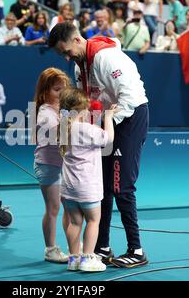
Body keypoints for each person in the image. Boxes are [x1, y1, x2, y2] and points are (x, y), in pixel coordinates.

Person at [48, 22, 149, 268]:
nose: (65, 56)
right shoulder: (78, 66)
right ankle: (101, 248)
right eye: (61, 54)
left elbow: (130, 98)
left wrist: (105, 123)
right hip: (106, 123)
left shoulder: (108, 58)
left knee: (121, 186)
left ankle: (136, 250)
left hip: (130, 117)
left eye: (66, 51)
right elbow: (89, 101)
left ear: (77, 40)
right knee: (99, 188)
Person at [58, 88, 118, 272]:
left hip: (68, 188)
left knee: (75, 222)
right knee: (93, 221)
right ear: (81, 109)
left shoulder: (62, 128)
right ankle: (88, 258)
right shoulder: (87, 129)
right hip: (87, 187)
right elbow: (108, 139)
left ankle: (73, 259)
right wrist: (108, 116)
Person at [33, 67, 71, 263]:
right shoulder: (44, 112)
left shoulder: (63, 109)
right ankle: (50, 249)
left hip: (64, 165)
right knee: (53, 207)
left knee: (69, 206)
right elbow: (59, 133)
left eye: (64, 89)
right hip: (47, 165)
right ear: (45, 91)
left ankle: (74, 246)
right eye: (57, 89)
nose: (61, 93)